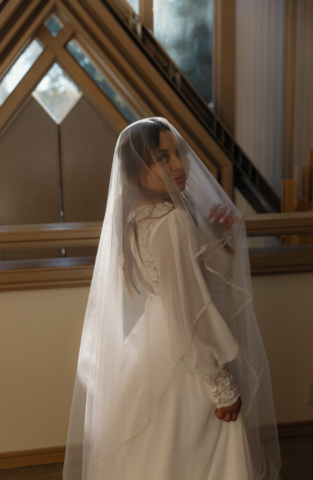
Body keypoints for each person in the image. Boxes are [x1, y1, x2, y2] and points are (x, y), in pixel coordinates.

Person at [63, 118, 281, 480]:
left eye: (178, 152)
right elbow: (190, 311)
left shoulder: (139, 217)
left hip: (154, 348)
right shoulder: (171, 221)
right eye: (162, 157)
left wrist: (217, 236)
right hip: (185, 359)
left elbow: (184, 289)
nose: (179, 165)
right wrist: (221, 386)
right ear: (135, 170)